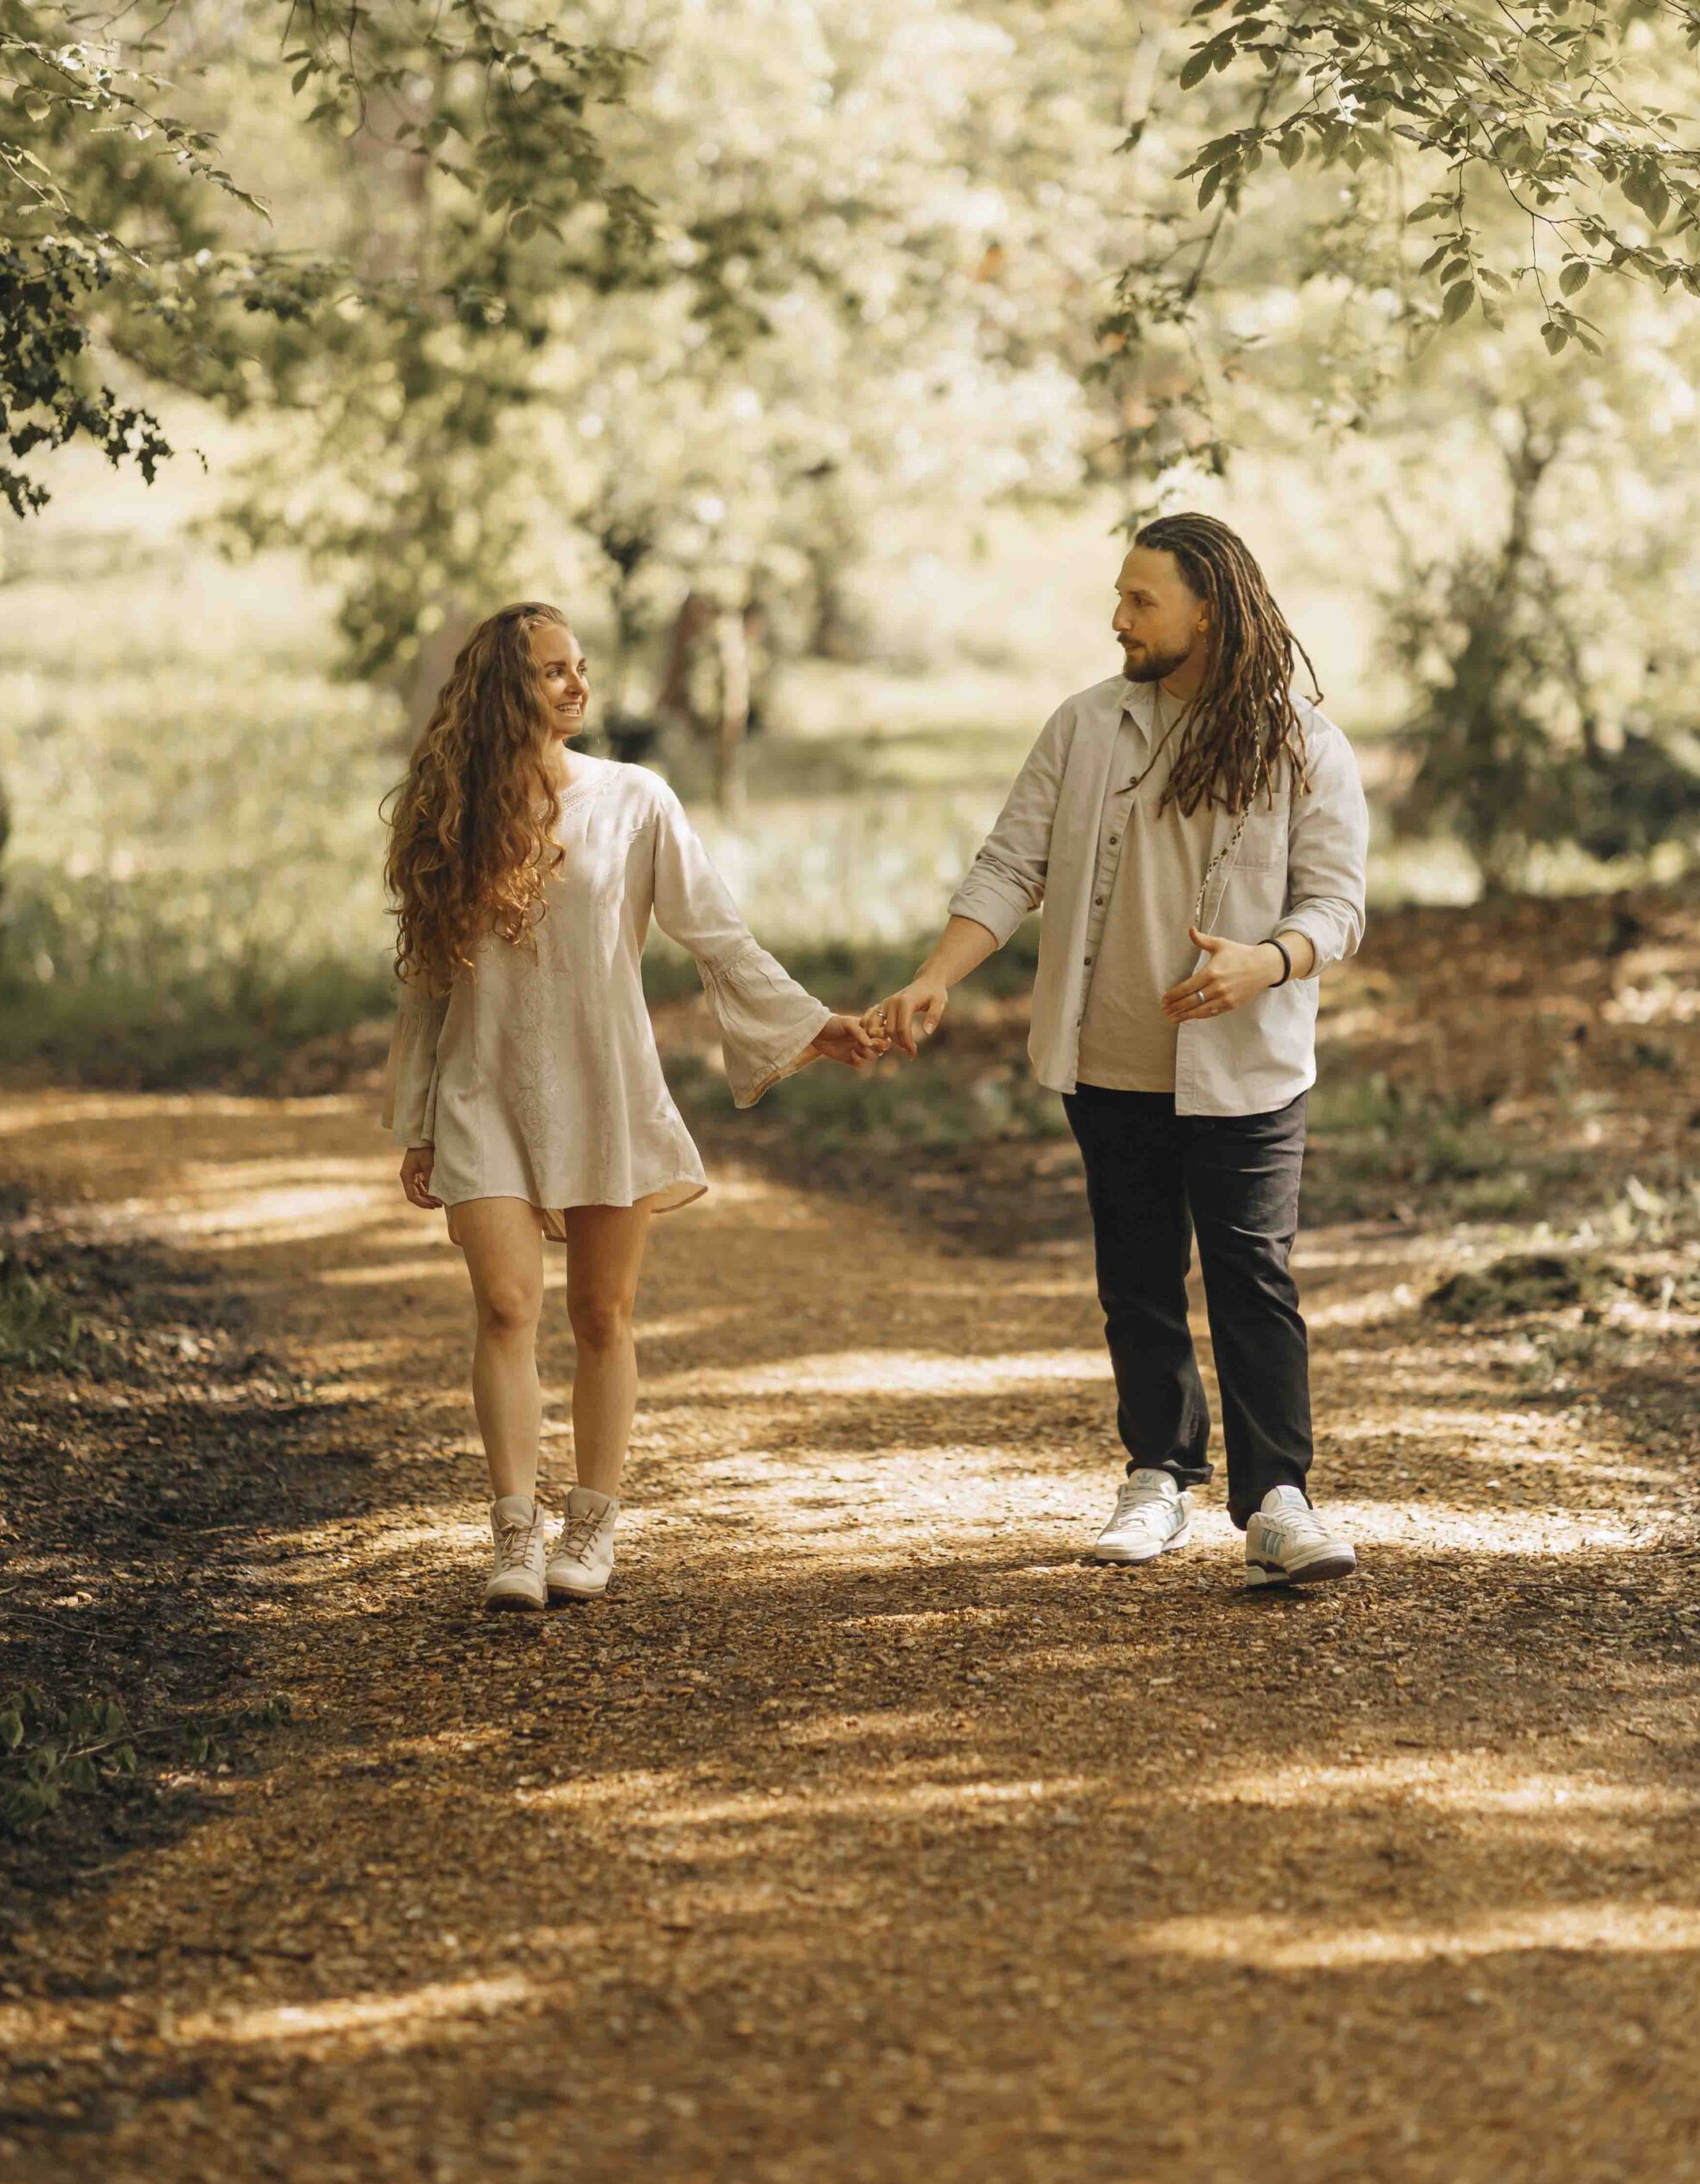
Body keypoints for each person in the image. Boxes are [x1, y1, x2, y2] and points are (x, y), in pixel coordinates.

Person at [872, 515, 1368, 1588]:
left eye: (1141, 600)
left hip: (1246, 1063)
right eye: (1119, 596)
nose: (1118, 620)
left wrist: (1268, 961)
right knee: (1136, 1278)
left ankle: (1277, 1500)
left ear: (1209, 608)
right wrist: (934, 977)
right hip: (1108, 1059)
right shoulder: (1086, 727)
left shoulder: (1301, 744)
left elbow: (1336, 905)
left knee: (1251, 1275)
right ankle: (1156, 1474)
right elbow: (1010, 865)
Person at [382, 601, 882, 1612]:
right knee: (505, 1306)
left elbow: (717, 936)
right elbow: (428, 982)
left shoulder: (635, 800)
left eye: (580, 667)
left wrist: (808, 1024)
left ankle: (592, 1524)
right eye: (551, 671)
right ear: (499, 690)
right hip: (482, 1091)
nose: (577, 686)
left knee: (600, 1313)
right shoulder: (452, 814)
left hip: (602, 1086)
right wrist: (418, 1116)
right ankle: (513, 1535)